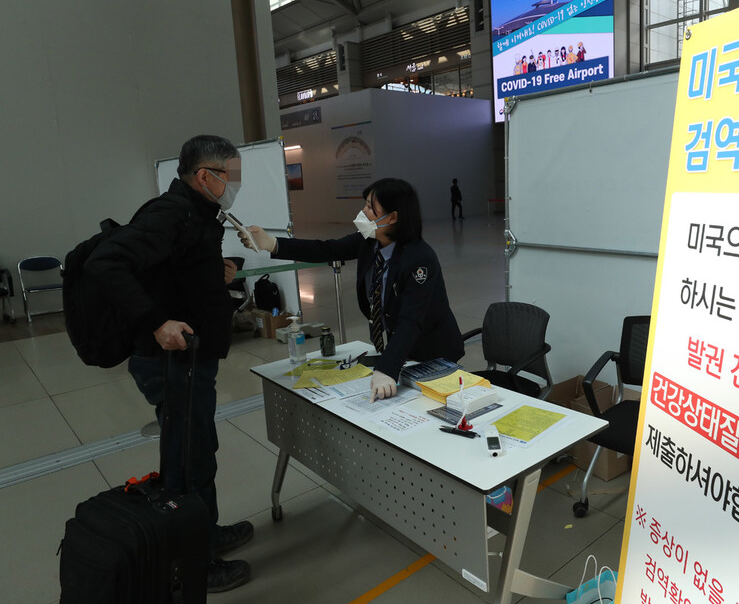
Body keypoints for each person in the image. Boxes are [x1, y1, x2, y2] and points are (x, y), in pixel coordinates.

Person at [85, 135, 253, 593]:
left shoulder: (194, 213)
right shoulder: (170, 212)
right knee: (185, 460)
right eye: (229, 176)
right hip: (171, 362)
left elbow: (170, 269)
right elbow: (107, 263)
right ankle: (191, 565)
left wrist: (214, 272)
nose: (233, 185)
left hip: (194, 360)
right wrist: (157, 321)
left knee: (200, 449)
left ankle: (206, 532)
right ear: (205, 176)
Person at [242, 178, 464, 401]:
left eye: (370, 207)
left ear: (393, 217)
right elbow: (328, 249)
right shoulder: (370, 241)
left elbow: (411, 320)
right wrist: (271, 243)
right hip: (402, 350)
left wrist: (386, 368)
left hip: (433, 353)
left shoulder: (419, 259)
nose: (363, 211)